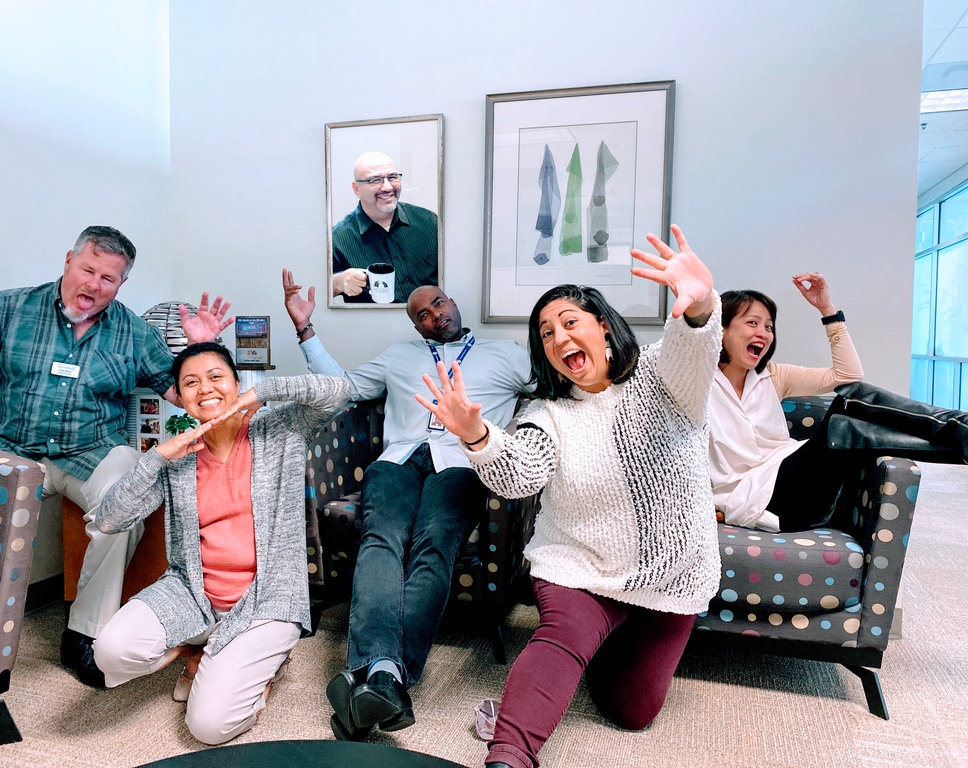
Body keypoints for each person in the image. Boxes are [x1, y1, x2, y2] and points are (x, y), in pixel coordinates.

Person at [418, 225, 722, 768]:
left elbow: (693, 348)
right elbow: (517, 476)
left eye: (569, 323)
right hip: (577, 566)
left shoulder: (661, 375)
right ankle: (509, 753)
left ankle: (586, 656)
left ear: (603, 328)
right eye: (546, 334)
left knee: (631, 710)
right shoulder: (546, 414)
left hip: (671, 574)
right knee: (564, 637)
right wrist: (476, 435)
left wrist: (699, 308)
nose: (558, 339)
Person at [0, 227, 232, 688]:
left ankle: (84, 632)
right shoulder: (8, 307)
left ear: (121, 285)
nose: (95, 285)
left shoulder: (135, 332)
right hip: (14, 447)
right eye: (88, 270)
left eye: (109, 279)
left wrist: (201, 350)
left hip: (93, 449)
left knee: (130, 497)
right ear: (68, 261)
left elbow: (182, 395)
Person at [282, 268, 533, 741]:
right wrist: (305, 330)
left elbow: (545, 394)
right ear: (415, 326)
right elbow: (344, 387)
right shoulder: (399, 356)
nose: (434, 315)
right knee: (380, 543)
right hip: (397, 461)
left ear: (452, 301)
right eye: (422, 314)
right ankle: (388, 680)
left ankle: (378, 676)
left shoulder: (507, 355)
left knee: (433, 546)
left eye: (438, 303)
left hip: (462, 464)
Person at [92, 342, 349, 744]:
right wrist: (157, 457)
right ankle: (202, 650)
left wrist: (262, 393)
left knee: (209, 727)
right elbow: (109, 519)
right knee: (110, 650)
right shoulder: (178, 453)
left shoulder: (280, 429)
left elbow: (337, 389)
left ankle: (257, 663)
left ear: (235, 382)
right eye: (190, 383)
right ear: (179, 398)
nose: (205, 389)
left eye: (216, 377)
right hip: (193, 594)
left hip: (267, 600)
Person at [710, 274, 968, 532]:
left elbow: (848, 376)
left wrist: (827, 310)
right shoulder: (697, 385)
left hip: (799, 481)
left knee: (851, 417)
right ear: (721, 330)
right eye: (752, 323)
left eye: (768, 326)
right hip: (764, 503)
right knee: (845, 416)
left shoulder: (773, 376)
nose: (763, 333)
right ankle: (960, 428)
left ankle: (960, 441)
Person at [331, 151, 438, 304]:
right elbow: (311, 292)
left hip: (429, 326)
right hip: (373, 326)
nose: (387, 187)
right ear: (356, 189)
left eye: (392, 177)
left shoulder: (429, 222)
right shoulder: (337, 239)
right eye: (375, 180)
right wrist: (337, 282)